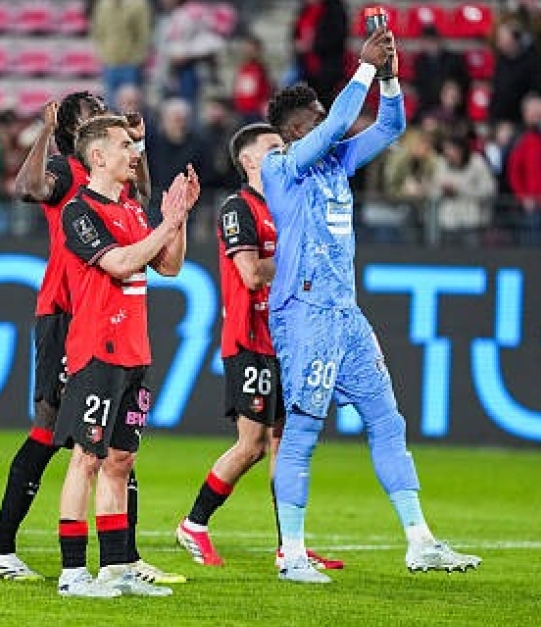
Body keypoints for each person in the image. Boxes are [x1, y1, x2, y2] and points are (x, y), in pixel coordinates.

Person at [261, 28, 483, 584]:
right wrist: (362, 68)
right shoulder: (281, 167)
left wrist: (388, 77)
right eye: (317, 117)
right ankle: (292, 554)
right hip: (305, 313)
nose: (332, 123)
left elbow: (391, 126)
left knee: (388, 420)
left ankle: (420, 541)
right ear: (298, 129)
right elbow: (338, 122)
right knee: (303, 431)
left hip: (346, 314)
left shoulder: (336, 162)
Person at [0, 93, 182, 587]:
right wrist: (44, 132)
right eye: (94, 111)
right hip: (67, 311)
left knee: (117, 449)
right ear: (77, 132)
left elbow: (140, 204)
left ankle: (122, 557)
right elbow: (27, 188)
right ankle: (3, 547)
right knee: (53, 433)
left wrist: (139, 145)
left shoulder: (118, 183)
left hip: (113, 316)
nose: (106, 112)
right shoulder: (65, 171)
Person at [175, 123, 343, 571]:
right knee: (251, 445)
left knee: (285, 445)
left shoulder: (292, 205)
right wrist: (299, 256)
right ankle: (194, 524)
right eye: (273, 148)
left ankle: (290, 545)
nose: (283, 153)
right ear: (249, 161)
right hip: (251, 340)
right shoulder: (238, 207)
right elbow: (250, 274)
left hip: (288, 342)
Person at [53, 116, 200, 598]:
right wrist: (168, 224)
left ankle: (115, 570)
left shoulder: (133, 208)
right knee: (86, 458)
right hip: (97, 350)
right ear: (97, 156)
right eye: (124, 145)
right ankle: (73, 573)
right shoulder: (79, 210)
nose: (133, 153)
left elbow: (170, 266)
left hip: (135, 352)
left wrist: (179, 219)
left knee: (120, 460)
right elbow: (118, 263)